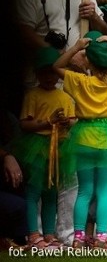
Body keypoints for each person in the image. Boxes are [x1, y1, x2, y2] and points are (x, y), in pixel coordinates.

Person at [54, 33, 107, 249]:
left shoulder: (80, 81)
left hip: (83, 137)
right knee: (105, 190)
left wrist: (75, 48)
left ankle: (79, 237)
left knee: (84, 190)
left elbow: (56, 67)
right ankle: (100, 237)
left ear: (88, 61)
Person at [15, 48, 74, 251]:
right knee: (33, 192)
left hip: (59, 150)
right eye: (44, 72)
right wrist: (47, 123)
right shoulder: (33, 95)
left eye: (53, 72)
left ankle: (49, 234)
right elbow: (24, 124)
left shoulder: (64, 97)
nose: (49, 77)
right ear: (37, 74)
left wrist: (67, 122)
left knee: (51, 193)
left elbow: (73, 119)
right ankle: (33, 233)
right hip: (37, 148)